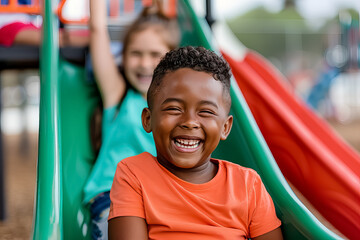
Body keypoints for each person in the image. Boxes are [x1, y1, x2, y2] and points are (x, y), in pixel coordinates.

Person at [108, 46, 283, 240]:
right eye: (174, 109)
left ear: (225, 127)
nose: (190, 122)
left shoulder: (248, 185)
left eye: (206, 112)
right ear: (148, 119)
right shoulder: (134, 174)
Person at [84, 0, 180, 239]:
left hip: (162, 197)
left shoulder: (180, 108)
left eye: (155, 55)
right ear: (123, 57)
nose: (145, 64)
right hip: (113, 194)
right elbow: (97, 29)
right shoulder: (117, 94)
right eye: (136, 54)